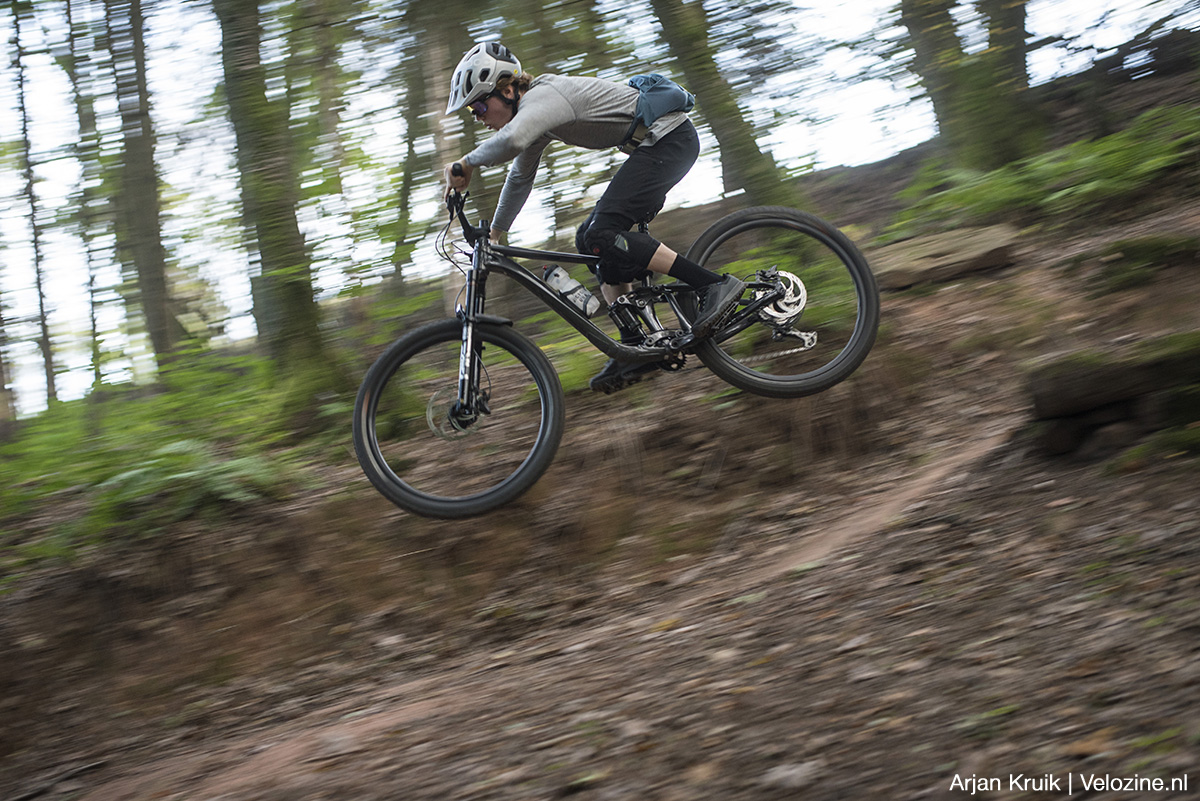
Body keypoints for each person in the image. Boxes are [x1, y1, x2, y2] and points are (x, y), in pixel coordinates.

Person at [442, 42, 745, 393]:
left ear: (508, 90)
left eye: (479, 106)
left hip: (669, 140)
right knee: (589, 239)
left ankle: (712, 284)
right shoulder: (536, 118)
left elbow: (514, 139)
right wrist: (495, 234)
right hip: (657, 146)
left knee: (601, 233)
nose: (478, 117)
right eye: (473, 111)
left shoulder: (543, 96)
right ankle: (633, 344)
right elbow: (520, 177)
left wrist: (467, 162)